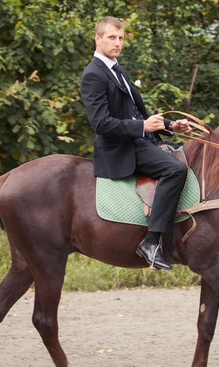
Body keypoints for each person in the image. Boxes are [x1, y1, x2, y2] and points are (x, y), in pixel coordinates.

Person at [80, 16, 192, 270]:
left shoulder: (119, 70)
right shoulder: (93, 75)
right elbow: (101, 123)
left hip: (138, 141)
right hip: (119, 148)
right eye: (111, 38)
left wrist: (170, 127)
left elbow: (137, 113)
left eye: (120, 38)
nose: (118, 43)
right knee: (175, 169)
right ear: (98, 39)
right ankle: (151, 242)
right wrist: (142, 127)